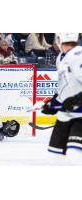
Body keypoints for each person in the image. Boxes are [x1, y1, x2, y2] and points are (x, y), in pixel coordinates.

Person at [41, 33, 82, 164]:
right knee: (55, 157)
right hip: (65, 115)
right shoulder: (61, 57)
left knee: (74, 154)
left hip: (79, 115)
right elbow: (63, 87)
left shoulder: (79, 54)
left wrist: (78, 99)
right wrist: (53, 105)